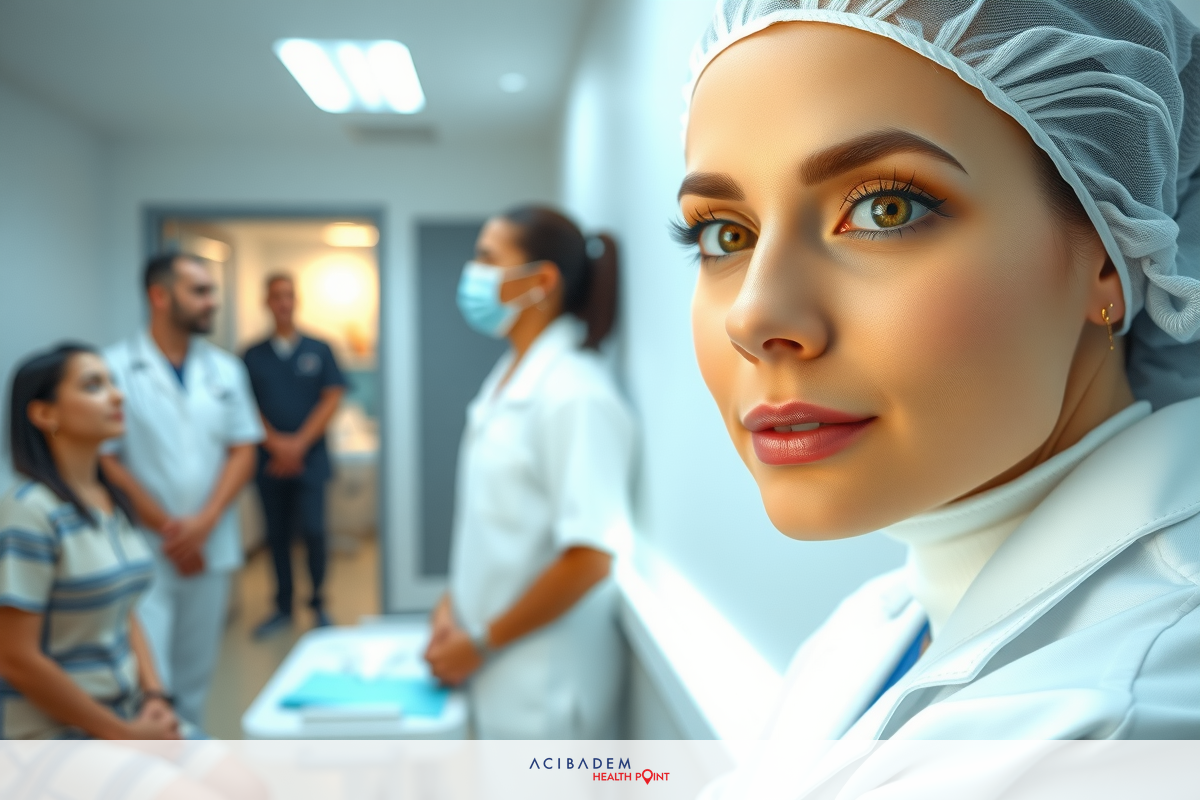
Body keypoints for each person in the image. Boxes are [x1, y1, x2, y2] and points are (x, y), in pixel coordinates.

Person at [676, 0, 1200, 787]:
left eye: (887, 208)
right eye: (725, 233)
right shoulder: (877, 624)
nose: (753, 316)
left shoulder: (1124, 724)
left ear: (1111, 248)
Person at [424, 206, 635, 739]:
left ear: (540, 281)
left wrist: (481, 641)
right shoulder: (511, 378)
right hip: (497, 669)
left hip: (547, 691)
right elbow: (494, 528)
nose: (473, 273)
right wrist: (453, 606)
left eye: (487, 258)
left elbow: (590, 557)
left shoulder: (576, 393)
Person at [99, 253, 263, 731]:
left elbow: (243, 450)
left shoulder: (226, 370)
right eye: (200, 291)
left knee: (195, 680)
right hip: (146, 549)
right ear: (159, 296)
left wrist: (204, 523)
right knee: (153, 684)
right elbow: (106, 460)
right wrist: (171, 530)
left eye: (211, 290)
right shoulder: (114, 368)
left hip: (209, 546)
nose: (212, 301)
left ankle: (186, 774)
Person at [0, 344, 177, 739]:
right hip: (53, 730)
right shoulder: (29, 513)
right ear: (45, 414)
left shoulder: (107, 499)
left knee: (248, 787)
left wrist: (155, 696)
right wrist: (123, 734)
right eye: (93, 385)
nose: (118, 395)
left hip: (127, 709)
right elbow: (14, 658)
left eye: (112, 382)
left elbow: (123, 609)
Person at [242, 273, 346, 637]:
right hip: (269, 461)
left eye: (288, 296)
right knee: (278, 535)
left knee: (315, 532)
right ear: (267, 303)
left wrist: (299, 443)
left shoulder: (320, 349)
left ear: (296, 301)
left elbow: (332, 397)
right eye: (276, 297)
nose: (283, 303)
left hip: (311, 460)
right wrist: (275, 445)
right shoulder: (252, 355)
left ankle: (318, 603)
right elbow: (247, 406)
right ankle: (282, 607)